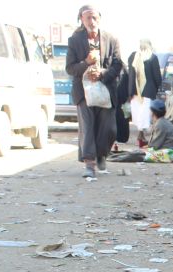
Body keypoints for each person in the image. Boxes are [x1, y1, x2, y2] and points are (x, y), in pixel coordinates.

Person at [66, 5, 122, 178]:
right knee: (88, 127)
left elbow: (118, 64)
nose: (92, 21)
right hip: (84, 92)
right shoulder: (75, 40)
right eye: (88, 18)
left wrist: (102, 74)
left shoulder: (111, 39)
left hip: (106, 90)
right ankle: (89, 164)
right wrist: (86, 63)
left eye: (95, 17)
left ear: (100, 18)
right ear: (82, 20)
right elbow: (70, 68)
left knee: (109, 129)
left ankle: (101, 155)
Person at [127, 39, 161, 147]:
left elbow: (130, 75)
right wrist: (157, 86)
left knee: (138, 115)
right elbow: (157, 76)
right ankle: (141, 136)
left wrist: (130, 91)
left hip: (135, 91)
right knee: (144, 115)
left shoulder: (133, 56)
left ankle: (140, 135)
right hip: (147, 91)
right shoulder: (152, 57)